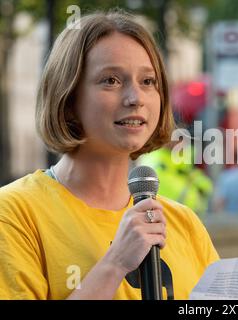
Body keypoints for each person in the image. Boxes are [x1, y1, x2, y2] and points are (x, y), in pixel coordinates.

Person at [0, 11, 219, 300]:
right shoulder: (15, 213)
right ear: (67, 99)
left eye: (148, 81)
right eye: (111, 80)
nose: (136, 98)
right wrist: (115, 263)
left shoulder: (185, 223)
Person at [138, 140, 213, 217]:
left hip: (187, 216)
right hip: (168, 215)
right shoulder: (157, 160)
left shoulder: (180, 158)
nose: (181, 142)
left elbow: (206, 185)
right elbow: (168, 188)